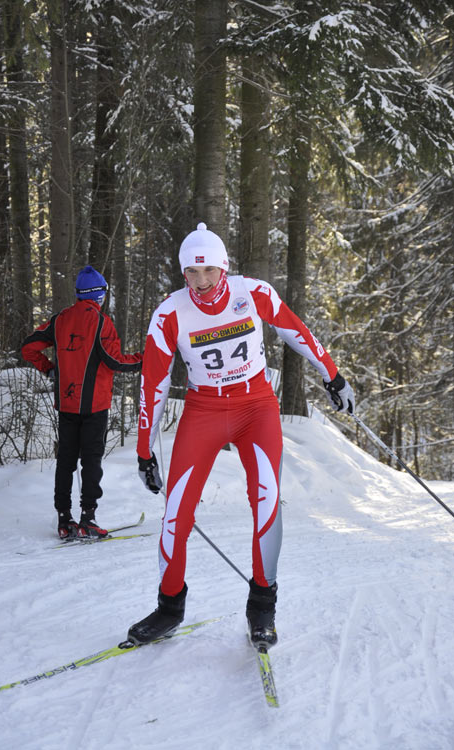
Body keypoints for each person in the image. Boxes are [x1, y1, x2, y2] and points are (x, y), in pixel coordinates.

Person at [128, 223, 354, 649]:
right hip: (204, 410)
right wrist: (144, 451)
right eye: (192, 274)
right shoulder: (169, 313)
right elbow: (152, 384)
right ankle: (169, 606)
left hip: (256, 408)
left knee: (267, 501)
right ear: (183, 275)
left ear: (224, 268)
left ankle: (262, 607)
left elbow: (295, 330)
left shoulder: (251, 293)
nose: (201, 282)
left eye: (209, 271)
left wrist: (333, 375)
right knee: (176, 512)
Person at [22, 265, 143, 539]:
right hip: (94, 406)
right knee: (91, 462)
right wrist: (142, 359)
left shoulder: (60, 319)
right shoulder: (102, 322)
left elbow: (28, 347)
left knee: (65, 462)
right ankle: (88, 518)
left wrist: (49, 368)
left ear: (79, 294)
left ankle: (64, 521)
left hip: (66, 405)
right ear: (99, 295)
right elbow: (114, 361)